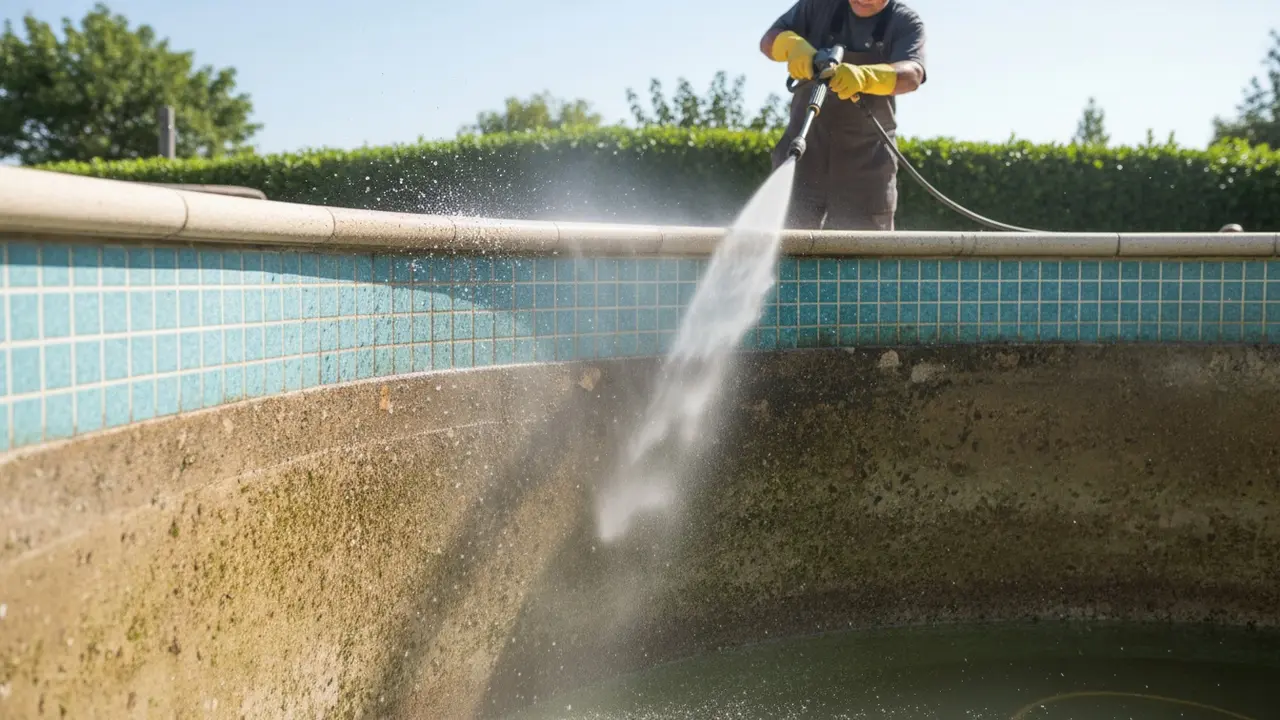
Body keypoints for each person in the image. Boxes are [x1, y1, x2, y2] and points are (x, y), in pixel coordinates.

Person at [760, 0, 927, 231]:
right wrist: (791, 45)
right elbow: (768, 41)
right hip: (803, 157)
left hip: (867, 167)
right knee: (786, 245)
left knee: (865, 251)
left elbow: (913, 74)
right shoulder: (817, 6)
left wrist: (865, 77)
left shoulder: (904, 22)